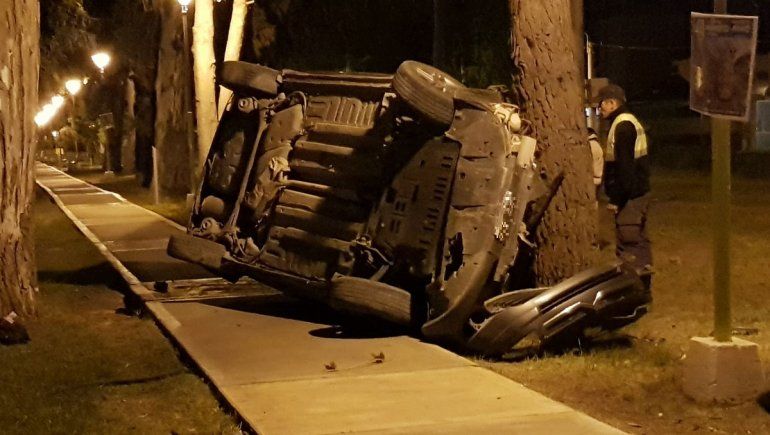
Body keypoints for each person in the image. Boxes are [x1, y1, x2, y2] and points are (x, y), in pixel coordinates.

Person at [596, 84, 653, 291]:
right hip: (639, 193)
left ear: (612, 103)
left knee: (628, 244)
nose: (599, 108)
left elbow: (624, 169)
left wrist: (616, 200)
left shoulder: (622, 126)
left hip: (630, 198)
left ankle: (632, 292)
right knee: (640, 243)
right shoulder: (629, 122)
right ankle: (644, 289)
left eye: (601, 103)